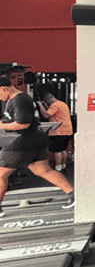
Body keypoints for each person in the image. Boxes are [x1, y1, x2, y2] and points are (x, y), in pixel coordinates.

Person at [0, 76, 74, 207]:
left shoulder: (19, 100)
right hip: (33, 140)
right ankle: (72, 194)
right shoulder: (15, 99)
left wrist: (2, 125)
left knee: (1, 175)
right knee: (43, 170)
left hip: (21, 142)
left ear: (4, 89)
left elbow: (23, 124)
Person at [36, 88, 73, 171]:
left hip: (58, 131)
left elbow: (46, 115)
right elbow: (52, 112)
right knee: (63, 150)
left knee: (57, 151)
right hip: (67, 131)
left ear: (49, 100)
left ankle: (58, 167)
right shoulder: (62, 104)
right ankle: (63, 165)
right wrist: (45, 105)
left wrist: (40, 105)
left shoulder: (55, 105)